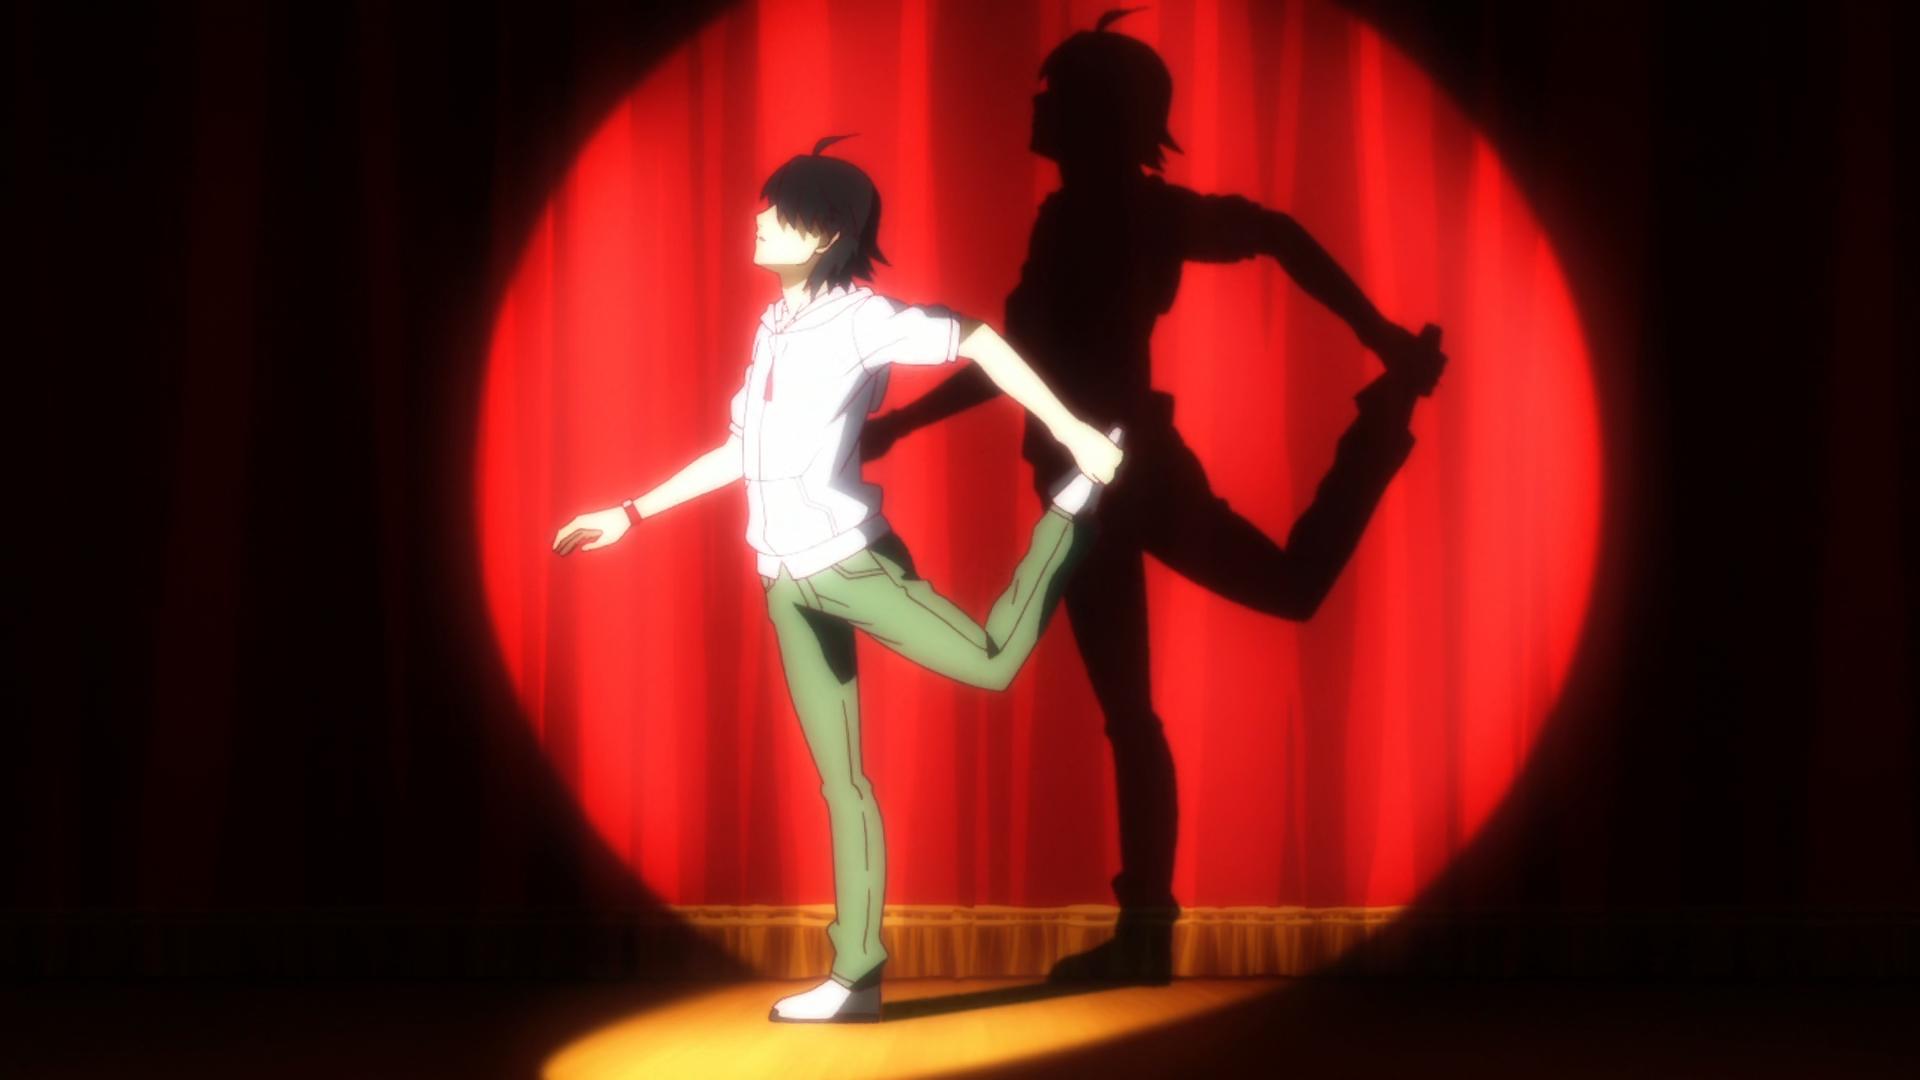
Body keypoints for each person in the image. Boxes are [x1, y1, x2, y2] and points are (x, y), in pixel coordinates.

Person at [862, 12, 1448, 982]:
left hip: (1115, 478)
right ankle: (1143, 933)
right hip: (1090, 482)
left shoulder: (1119, 215)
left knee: (1215, 648)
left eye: (1056, 96)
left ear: (1096, 116)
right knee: (1137, 709)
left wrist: (1381, 337)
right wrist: (900, 427)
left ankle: (1383, 424)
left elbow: (1027, 355)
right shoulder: (1084, 216)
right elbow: (1022, 356)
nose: (1037, 108)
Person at [552, 135, 1125, 1023]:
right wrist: (631, 512)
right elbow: (741, 450)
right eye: (764, 207)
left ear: (824, 235)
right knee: (841, 782)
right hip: (783, 579)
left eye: (779, 215)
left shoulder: (864, 320)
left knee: (992, 665)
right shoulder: (771, 327)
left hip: (848, 564)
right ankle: (855, 975)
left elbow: (975, 338)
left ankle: (1070, 514)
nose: (758, 222)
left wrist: (1074, 431)